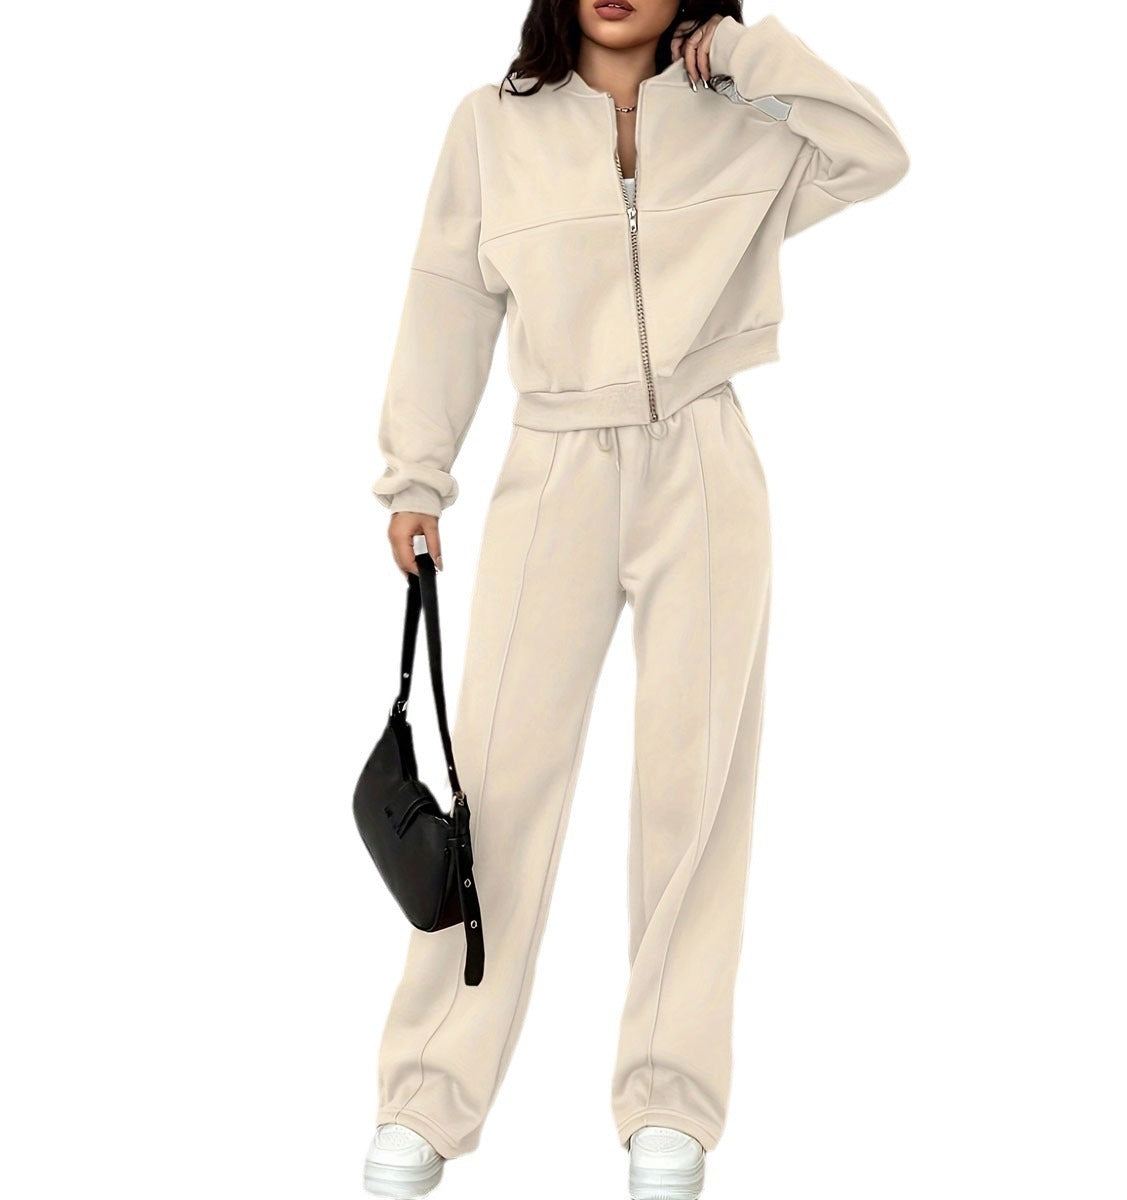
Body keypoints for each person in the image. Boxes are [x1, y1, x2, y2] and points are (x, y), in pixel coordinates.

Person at [362, 2, 908, 1196]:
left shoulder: (742, 117)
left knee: (694, 789)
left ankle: (669, 1104)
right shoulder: (490, 126)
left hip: (703, 464)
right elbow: (447, 295)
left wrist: (750, 55)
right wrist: (417, 474)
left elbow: (876, 151)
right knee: (497, 788)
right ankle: (428, 1096)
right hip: (551, 464)